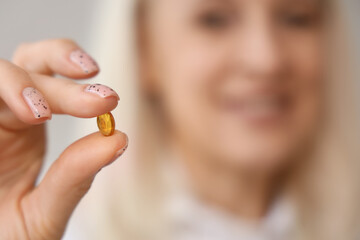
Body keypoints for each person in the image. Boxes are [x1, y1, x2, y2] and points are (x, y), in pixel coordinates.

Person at [1, 0, 359, 239]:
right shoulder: (71, 229)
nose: (266, 58)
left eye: (297, 17)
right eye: (214, 20)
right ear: (144, 49)